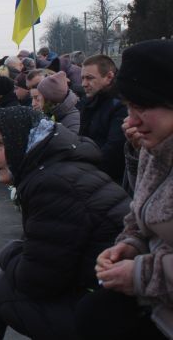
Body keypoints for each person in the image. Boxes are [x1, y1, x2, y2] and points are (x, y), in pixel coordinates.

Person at [0, 107, 130, 340]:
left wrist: (9, 252)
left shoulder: (52, 184)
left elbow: (36, 280)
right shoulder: (59, 169)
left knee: (2, 289)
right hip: (110, 298)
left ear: (21, 142)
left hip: (117, 313)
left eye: (0, 145)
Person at [75, 40, 173, 340]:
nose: (130, 122)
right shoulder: (154, 148)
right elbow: (140, 210)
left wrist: (141, 275)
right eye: (128, 107)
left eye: (141, 107)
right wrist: (129, 245)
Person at [79, 54, 128, 184]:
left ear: (109, 77)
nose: (83, 84)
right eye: (82, 78)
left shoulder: (121, 105)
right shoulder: (90, 101)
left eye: (89, 78)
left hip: (109, 180)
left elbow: (114, 152)